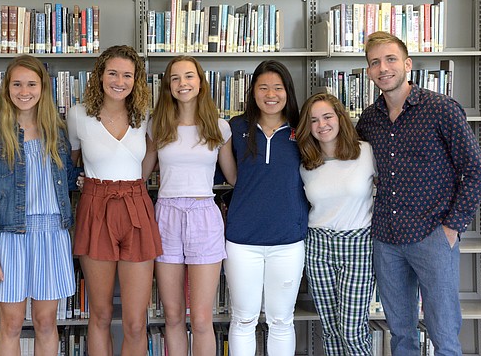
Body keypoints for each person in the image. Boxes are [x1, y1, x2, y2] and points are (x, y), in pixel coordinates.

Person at [356, 31, 481, 355]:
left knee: (444, 334)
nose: (383, 68)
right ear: (369, 72)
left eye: (390, 59)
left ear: (407, 64)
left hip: (433, 235)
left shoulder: (441, 109)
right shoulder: (368, 120)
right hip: (386, 238)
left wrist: (452, 227)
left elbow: (476, 173)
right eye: (375, 62)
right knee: (400, 334)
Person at [0, 55, 78, 355]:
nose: (24, 91)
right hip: (9, 238)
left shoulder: (56, 133)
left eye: (31, 84)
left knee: (46, 322)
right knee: (12, 324)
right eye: (17, 84)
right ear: (6, 89)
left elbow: (69, 179)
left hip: (51, 236)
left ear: (43, 88)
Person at [67, 45, 161, 355]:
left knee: (135, 321)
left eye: (127, 75)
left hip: (136, 204)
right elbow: (75, 160)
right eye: (112, 73)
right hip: (96, 206)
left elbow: (150, 156)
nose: (119, 81)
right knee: (101, 315)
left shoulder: (144, 116)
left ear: (136, 80)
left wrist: (135, 183)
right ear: (100, 75)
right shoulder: (78, 115)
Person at [142, 56, 236, 356]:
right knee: (172, 317)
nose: (183, 83)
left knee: (200, 319)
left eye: (189, 77)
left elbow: (233, 176)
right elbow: (141, 175)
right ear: (168, 86)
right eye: (175, 78)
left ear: (200, 82)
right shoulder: (157, 125)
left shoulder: (219, 127)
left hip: (204, 215)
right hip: (166, 215)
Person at [224, 60, 307, 355]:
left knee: (281, 320)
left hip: (288, 241)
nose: (271, 94)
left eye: (278, 87)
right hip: (242, 241)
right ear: (252, 92)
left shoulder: (303, 128)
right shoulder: (235, 127)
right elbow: (228, 176)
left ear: (288, 91)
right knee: (243, 319)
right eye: (263, 87)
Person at [297, 93, 376, 355]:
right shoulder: (306, 163)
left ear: (340, 118)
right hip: (318, 246)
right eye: (314, 120)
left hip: (358, 245)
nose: (322, 125)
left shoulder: (366, 152)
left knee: (352, 331)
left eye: (327, 116)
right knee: (330, 329)